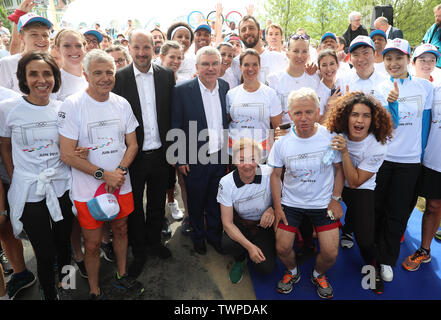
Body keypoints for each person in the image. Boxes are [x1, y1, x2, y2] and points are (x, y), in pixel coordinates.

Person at [58, 49, 143, 299]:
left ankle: (121, 275)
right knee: (93, 243)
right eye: (97, 72)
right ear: (85, 74)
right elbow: (66, 154)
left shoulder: (122, 103)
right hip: (88, 189)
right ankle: (95, 290)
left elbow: (133, 144)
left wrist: (119, 171)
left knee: (121, 229)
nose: (105, 77)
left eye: (109, 72)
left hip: (120, 183)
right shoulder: (72, 105)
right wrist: (103, 175)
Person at [0, 52, 75, 300]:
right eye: (33, 74)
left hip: (62, 186)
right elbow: (5, 147)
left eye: (47, 73)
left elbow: (69, 145)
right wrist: (16, 177)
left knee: (65, 246)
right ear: (23, 78)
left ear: (55, 77)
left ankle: (68, 286)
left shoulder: (63, 109)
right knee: (44, 251)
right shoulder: (8, 109)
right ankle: (49, 292)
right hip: (30, 190)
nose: (41, 80)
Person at [268, 87, 345, 299]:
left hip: (323, 204)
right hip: (291, 203)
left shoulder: (330, 136)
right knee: (282, 248)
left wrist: (336, 199)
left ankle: (318, 274)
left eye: (309, 112)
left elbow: (339, 170)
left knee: (330, 253)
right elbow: (275, 175)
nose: (303, 118)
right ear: (290, 114)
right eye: (298, 113)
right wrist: (277, 207)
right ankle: (292, 272)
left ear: (318, 111)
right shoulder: (281, 142)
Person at [112, 30, 176, 278]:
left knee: (158, 203)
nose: (141, 53)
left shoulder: (167, 76)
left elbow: (171, 113)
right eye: (137, 48)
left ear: (154, 48)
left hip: (161, 153)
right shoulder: (119, 78)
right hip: (133, 155)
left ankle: (154, 243)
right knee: (135, 206)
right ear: (129, 48)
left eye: (146, 48)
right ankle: (138, 251)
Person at [374, 38, 433, 282]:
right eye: (388, 58)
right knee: (377, 210)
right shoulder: (378, 88)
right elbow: (387, 127)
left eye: (399, 57)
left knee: (398, 213)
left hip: (410, 163)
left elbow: (426, 124)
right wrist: (390, 104)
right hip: (383, 160)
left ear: (409, 59)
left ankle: (387, 259)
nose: (393, 63)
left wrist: (421, 157)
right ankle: (374, 254)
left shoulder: (424, 88)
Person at [325, 91, 394, 294]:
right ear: (346, 116)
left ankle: (372, 268)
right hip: (333, 184)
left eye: (366, 116)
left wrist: (345, 152)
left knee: (365, 240)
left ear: (373, 120)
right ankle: (320, 242)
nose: (359, 120)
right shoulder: (335, 131)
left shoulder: (378, 145)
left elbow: (354, 182)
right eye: (355, 114)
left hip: (360, 187)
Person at [171, 46, 229, 255]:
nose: (211, 68)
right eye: (205, 64)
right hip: (194, 158)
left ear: (220, 66)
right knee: (196, 201)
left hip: (219, 156)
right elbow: (175, 124)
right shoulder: (182, 90)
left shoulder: (224, 86)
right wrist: (179, 158)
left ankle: (214, 237)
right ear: (197, 67)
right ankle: (198, 237)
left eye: (215, 63)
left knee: (215, 200)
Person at [401, 44, 441, 272]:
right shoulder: (432, 90)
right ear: (413, 61)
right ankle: (398, 232)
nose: (427, 64)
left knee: (435, 205)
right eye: (422, 59)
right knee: (412, 198)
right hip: (425, 157)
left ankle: (424, 250)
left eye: (431, 60)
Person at [218, 138, 276, 284]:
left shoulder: (269, 174)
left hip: (264, 226)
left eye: (252, 159)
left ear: (259, 159)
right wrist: (250, 247)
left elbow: (284, 199)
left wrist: (272, 210)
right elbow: (227, 224)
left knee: (266, 269)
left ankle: (264, 246)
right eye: (241, 159)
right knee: (227, 244)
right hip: (241, 224)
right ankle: (240, 259)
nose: (247, 165)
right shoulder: (226, 183)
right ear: (234, 161)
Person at [227, 49, 282, 159]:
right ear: (240, 67)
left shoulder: (270, 94)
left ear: (259, 66)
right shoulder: (231, 94)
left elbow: (277, 128)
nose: (250, 69)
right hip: (234, 154)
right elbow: (227, 121)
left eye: (254, 65)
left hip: (261, 154)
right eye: (246, 65)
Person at [158, 40, 186, 223]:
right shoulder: (155, 79)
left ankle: (172, 201)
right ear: (162, 57)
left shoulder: (182, 82)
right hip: (160, 136)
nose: (176, 61)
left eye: (179, 58)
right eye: (172, 57)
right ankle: (162, 211)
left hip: (179, 134)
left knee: (176, 175)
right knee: (162, 176)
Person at [267, 34, 320, 126]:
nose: (300, 56)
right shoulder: (274, 79)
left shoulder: (315, 78)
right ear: (287, 53)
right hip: (284, 136)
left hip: (308, 134)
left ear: (308, 54)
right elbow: (270, 118)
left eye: (304, 51)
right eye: (295, 51)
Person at [0, 12, 52, 92]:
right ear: (21, 37)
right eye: (34, 34)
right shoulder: (7, 64)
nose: (41, 39)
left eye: (45, 35)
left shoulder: (53, 63)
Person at [232, 15, 288, 85]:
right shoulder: (235, 63)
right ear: (239, 37)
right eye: (243, 30)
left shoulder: (280, 59)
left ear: (260, 32)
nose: (247, 32)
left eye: (251, 28)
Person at [53, 29, 88, 101]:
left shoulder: (92, 77)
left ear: (84, 48)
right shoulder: (54, 80)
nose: (74, 50)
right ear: (58, 49)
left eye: (78, 45)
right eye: (67, 46)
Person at [315, 49, 342, 123]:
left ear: (337, 65)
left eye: (332, 64)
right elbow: (318, 124)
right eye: (324, 65)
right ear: (319, 68)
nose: (328, 69)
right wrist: (328, 107)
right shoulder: (316, 91)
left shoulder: (342, 84)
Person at [423, 4, 441, 68]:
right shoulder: (433, 27)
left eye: (439, 16)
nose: (437, 19)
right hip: (430, 64)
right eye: (436, 16)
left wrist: (436, 48)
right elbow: (424, 40)